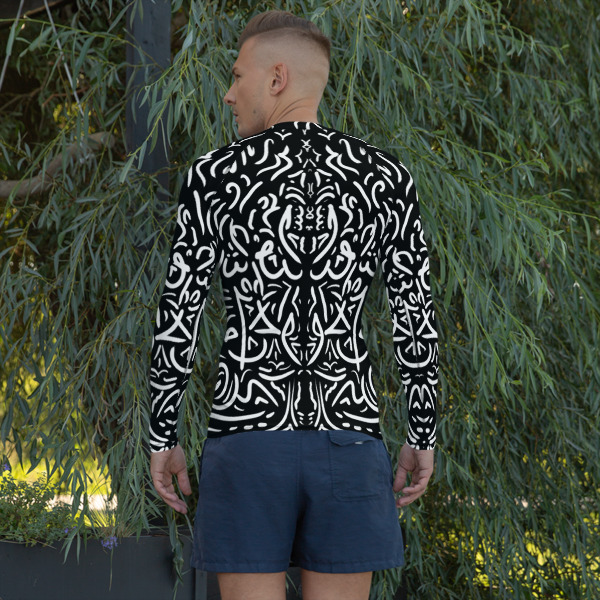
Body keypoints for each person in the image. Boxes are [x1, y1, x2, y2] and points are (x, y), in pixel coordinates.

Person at [149, 10, 438, 600]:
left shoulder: (215, 176)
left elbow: (180, 313)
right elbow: (414, 314)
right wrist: (422, 431)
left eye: (238, 76)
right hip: (349, 435)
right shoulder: (385, 178)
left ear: (276, 78)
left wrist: (162, 435)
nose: (229, 94)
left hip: (247, 434)